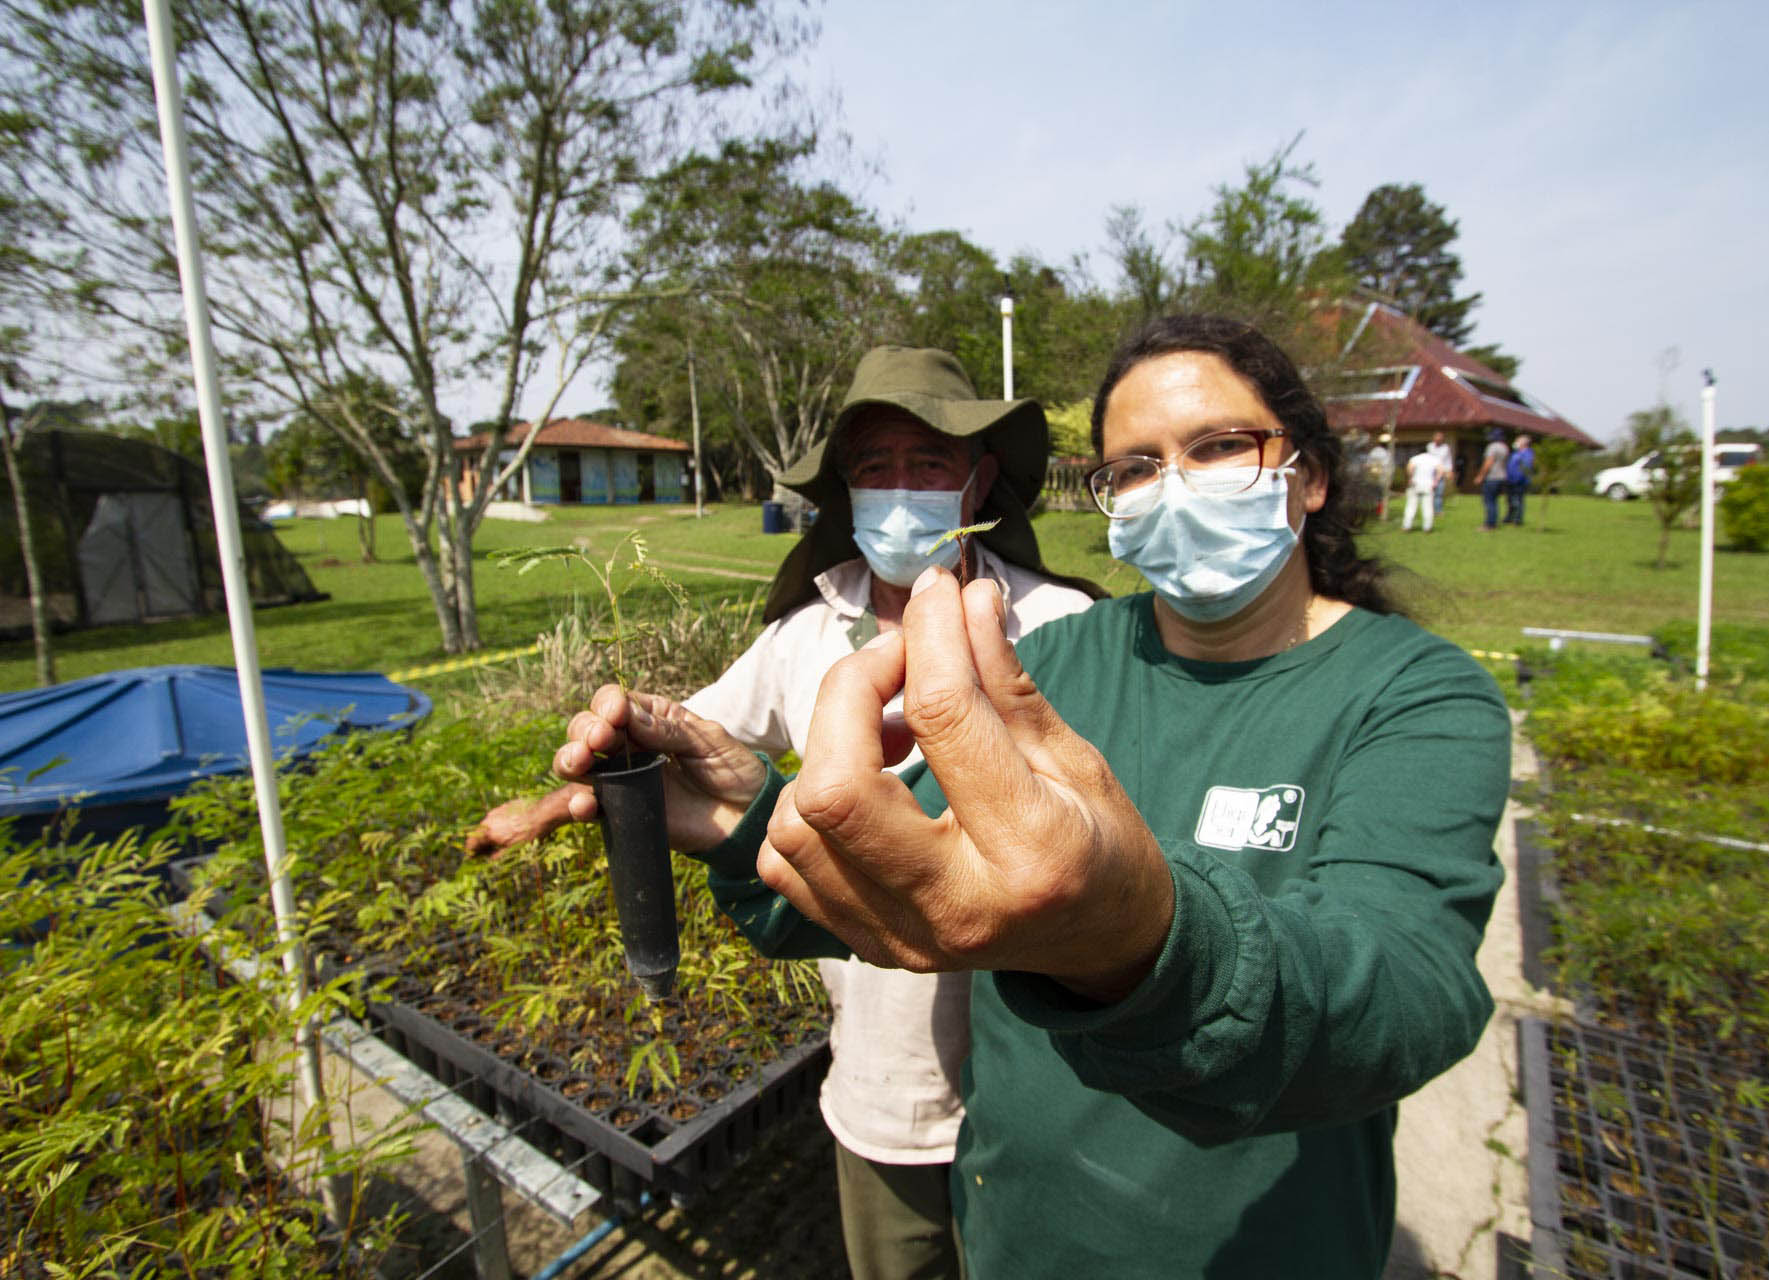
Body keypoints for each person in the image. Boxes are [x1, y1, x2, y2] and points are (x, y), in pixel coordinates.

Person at [554, 316, 1511, 1277]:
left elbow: (1406, 992)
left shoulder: (1417, 692)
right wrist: (742, 819)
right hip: (1012, 1229)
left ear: (1311, 475)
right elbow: (910, 873)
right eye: (1135, 467)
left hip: (1265, 1251)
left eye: (1220, 447)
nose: (1174, 486)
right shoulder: (1053, 660)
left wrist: (1139, 941)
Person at [470, 346, 1098, 1280]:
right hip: (886, 1082)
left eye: (928, 464)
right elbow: (686, 741)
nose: (900, 491)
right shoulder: (810, 630)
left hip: (1047, 1084)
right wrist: (562, 795)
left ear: (979, 482)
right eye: (875, 467)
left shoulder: (1062, 628)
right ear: (846, 491)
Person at [1473, 428, 1509, 531]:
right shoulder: (1505, 447)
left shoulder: (1492, 447)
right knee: (1494, 501)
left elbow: (1488, 462)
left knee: (1489, 501)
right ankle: (1493, 522)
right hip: (1502, 477)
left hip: (1492, 477)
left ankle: (1489, 524)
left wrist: (1480, 476)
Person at [1402, 446, 1441, 532]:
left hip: (1415, 484)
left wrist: (1410, 478)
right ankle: (1427, 527)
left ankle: (1407, 526)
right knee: (1428, 507)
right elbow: (1440, 471)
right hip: (1428, 485)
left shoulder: (1415, 459)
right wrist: (1436, 481)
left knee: (1411, 506)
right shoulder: (1434, 459)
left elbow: (1410, 469)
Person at [1503, 432, 1536, 526]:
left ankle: (1518, 519)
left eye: (1517, 441)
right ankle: (1509, 517)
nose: (1515, 442)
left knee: (1517, 500)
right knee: (1510, 500)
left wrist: (1518, 479)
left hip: (1519, 481)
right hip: (1511, 480)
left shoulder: (1527, 454)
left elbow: (1526, 468)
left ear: (1524, 443)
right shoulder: (1517, 453)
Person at [1365, 431, 1392, 519]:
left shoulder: (1373, 452)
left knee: (1375, 495)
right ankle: (1381, 513)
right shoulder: (1387, 453)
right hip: (1382, 476)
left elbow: (1368, 464)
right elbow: (1387, 465)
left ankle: (1375, 511)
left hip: (1372, 476)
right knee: (1382, 495)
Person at [1426, 431, 1454, 515]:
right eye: (1437, 438)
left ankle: (1438, 510)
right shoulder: (1430, 446)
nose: (1438, 439)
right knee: (1430, 491)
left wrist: (1449, 471)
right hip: (1430, 471)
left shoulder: (1445, 448)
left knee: (1439, 491)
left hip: (1441, 471)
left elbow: (1447, 460)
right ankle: (1429, 509)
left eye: (1440, 438)